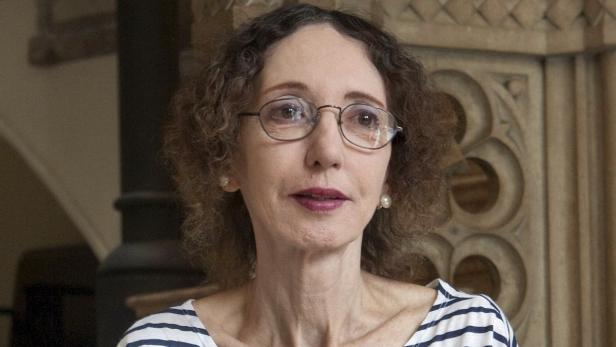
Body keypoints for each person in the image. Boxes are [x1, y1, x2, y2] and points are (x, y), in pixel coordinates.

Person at [118, 4, 518, 347]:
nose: (327, 152)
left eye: (364, 118)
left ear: (391, 174)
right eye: (288, 111)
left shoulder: (470, 333)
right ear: (226, 157)